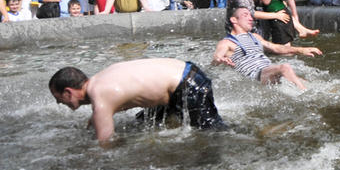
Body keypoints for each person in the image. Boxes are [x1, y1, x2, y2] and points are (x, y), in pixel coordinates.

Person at [49, 59, 225, 146]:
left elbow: (104, 144)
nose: (58, 102)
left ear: (68, 92)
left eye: (57, 97)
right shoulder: (99, 81)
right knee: (141, 124)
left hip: (187, 83)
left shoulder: (100, 97)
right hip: (184, 75)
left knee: (214, 134)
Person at [213, 7, 320, 90]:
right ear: (234, 20)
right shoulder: (226, 42)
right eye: (245, 15)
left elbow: (275, 48)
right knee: (285, 67)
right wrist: (221, 60)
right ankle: (305, 95)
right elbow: (216, 59)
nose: (251, 18)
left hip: (269, 71)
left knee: (309, 83)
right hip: (255, 76)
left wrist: (301, 50)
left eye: (251, 15)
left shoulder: (255, 37)